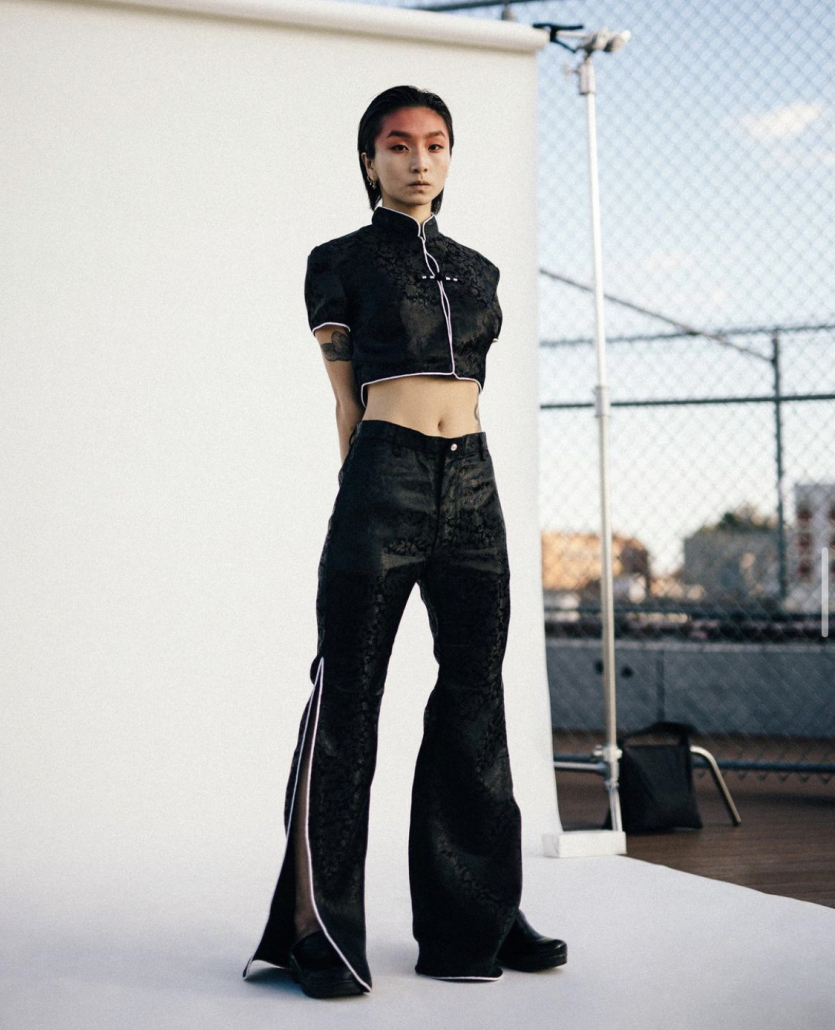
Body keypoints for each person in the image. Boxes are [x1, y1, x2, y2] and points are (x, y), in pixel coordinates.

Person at [242, 85, 567, 1000]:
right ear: (369, 159)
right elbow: (344, 400)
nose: (418, 160)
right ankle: (317, 929)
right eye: (397, 145)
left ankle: (478, 915)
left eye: (434, 145)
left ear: (450, 157)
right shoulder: (338, 261)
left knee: (474, 698)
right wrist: (362, 494)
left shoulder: (480, 271)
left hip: (473, 481)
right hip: (382, 477)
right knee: (346, 699)